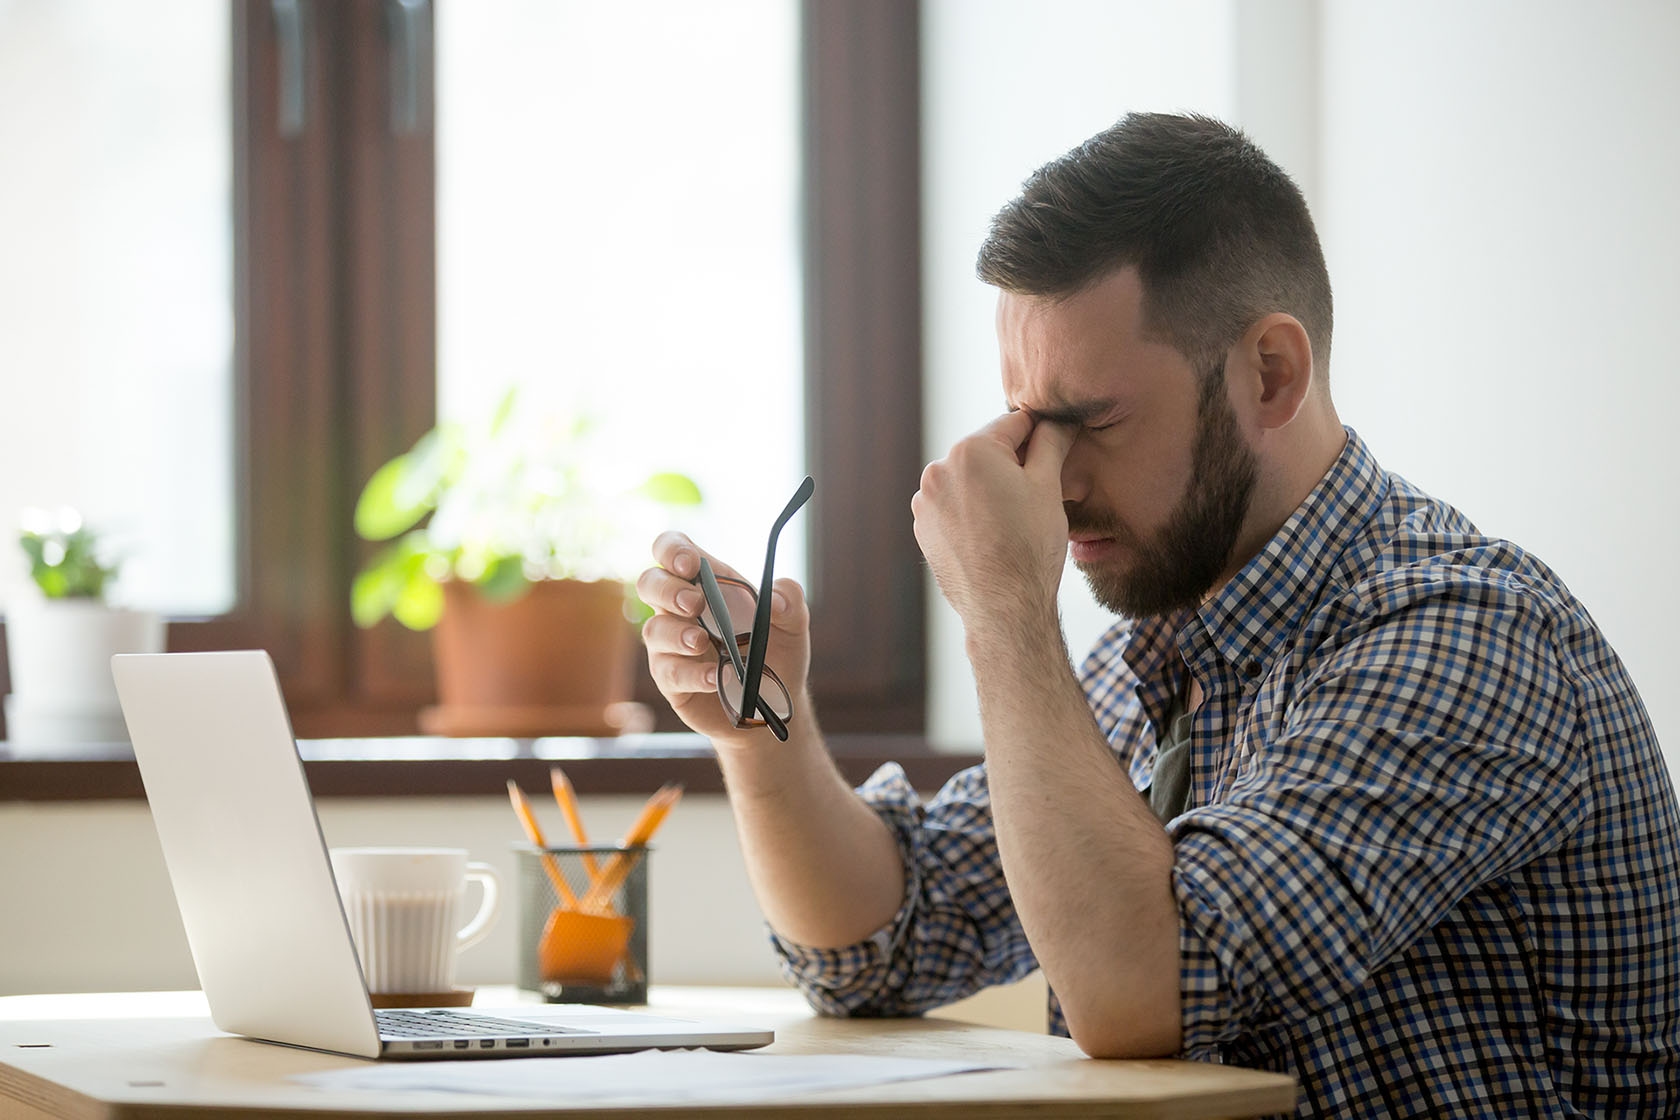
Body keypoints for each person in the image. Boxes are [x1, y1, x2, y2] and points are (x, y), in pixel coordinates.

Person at [636, 112, 1680, 1117]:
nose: (1049, 479)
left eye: (1091, 420)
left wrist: (1004, 608)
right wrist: (758, 729)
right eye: (1027, 423)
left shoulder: (1464, 635)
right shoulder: (1161, 650)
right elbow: (881, 943)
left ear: (1270, 374)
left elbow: (1151, 989)